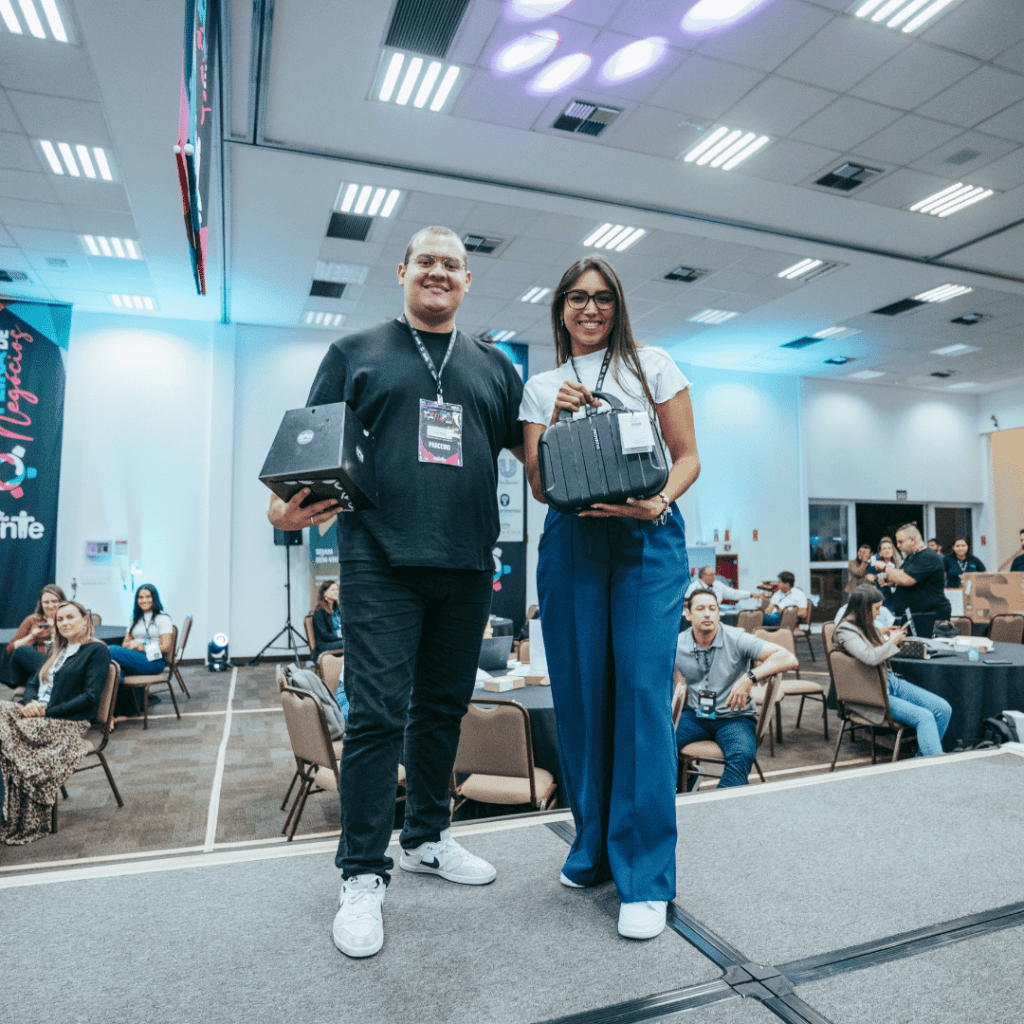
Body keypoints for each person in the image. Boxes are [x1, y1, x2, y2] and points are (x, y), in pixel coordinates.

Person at [268, 226, 524, 959]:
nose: (439, 272)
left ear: (468, 280)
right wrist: (281, 509)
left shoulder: (494, 366)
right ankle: (361, 874)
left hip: (468, 564)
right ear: (404, 272)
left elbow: (533, 450)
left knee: (442, 708)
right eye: (427, 262)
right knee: (377, 717)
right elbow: (304, 454)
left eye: (453, 264)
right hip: (379, 560)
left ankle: (428, 838)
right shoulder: (353, 353)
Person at [520, 254, 700, 942]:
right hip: (572, 542)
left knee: (641, 699)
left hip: (644, 538)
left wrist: (659, 501)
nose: (589, 308)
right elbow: (541, 485)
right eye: (576, 297)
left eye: (601, 298)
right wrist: (555, 420)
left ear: (617, 305)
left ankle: (646, 875)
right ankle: (592, 845)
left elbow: (687, 456)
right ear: (560, 308)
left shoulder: (652, 365)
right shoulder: (541, 387)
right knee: (581, 701)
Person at [0, 600, 111, 844]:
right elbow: (33, 683)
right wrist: (30, 704)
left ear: (85, 620)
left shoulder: (96, 650)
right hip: (37, 714)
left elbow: (90, 698)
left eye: (71, 617)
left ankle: (9, 814)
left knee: (4, 745)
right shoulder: (56, 650)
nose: (65, 623)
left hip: (65, 721)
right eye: (60, 619)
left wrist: (47, 711)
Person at [675, 588, 798, 789]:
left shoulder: (737, 638)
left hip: (735, 717)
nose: (707, 614)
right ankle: (686, 781)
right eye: (700, 609)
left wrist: (750, 677)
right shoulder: (678, 644)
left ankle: (723, 805)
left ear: (718, 613)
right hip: (697, 716)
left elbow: (788, 658)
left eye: (712, 609)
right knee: (658, 745)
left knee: (741, 756)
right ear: (688, 614)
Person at [832, 586, 951, 756]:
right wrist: (892, 642)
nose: (878, 613)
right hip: (873, 693)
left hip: (889, 682)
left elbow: (872, 648)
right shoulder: (845, 630)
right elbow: (870, 657)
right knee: (925, 717)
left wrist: (885, 636)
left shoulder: (865, 626)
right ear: (864, 608)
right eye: (876, 608)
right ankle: (934, 764)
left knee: (943, 709)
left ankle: (923, 760)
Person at [109, 585, 173, 714]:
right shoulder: (135, 619)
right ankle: (122, 710)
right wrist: (132, 646)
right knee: (114, 669)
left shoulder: (163, 618)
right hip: (136, 658)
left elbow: (166, 647)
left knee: (111, 651)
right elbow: (125, 642)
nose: (144, 600)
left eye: (148, 597)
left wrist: (143, 648)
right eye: (140, 597)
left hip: (155, 660)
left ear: (154, 598)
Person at [881, 524, 952, 628]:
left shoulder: (927, 556)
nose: (898, 546)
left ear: (913, 540)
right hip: (918, 616)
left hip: (930, 617)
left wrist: (884, 567)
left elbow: (906, 579)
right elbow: (907, 577)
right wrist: (893, 581)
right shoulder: (911, 557)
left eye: (900, 542)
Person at [4, 584, 66, 694]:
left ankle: (37, 687)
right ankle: (54, 679)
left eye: (54, 601)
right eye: (46, 602)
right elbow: (10, 650)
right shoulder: (32, 620)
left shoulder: (67, 621)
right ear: (41, 604)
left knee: (32, 680)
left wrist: (56, 634)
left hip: (59, 661)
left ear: (62, 602)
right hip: (34, 664)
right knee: (22, 650)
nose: (50, 605)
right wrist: (32, 637)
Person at [685, 566, 758, 604]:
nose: (713, 577)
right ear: (702, 576)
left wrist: (750, 594)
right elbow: (683, 602)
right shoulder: (693, 587)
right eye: (711, 575)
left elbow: (733, 593)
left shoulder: (718, 585)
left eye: (714, 574)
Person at [311, 581, 345, 660]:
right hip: (326, 644)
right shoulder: (319, 611)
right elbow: (324, 635)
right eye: (333, 590)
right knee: (350, 643)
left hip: (339, 641)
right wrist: (342, 638)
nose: (336, 592)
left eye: (337, 589)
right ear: (324, 593)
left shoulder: (337, 610)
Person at [869, 536, 901, 612]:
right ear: (880, 552)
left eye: (889, 548)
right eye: (884, 549)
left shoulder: (898, 566)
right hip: (881, 603)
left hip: (897, 602)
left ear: (893, 551)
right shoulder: (874, 567)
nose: (887, 551)